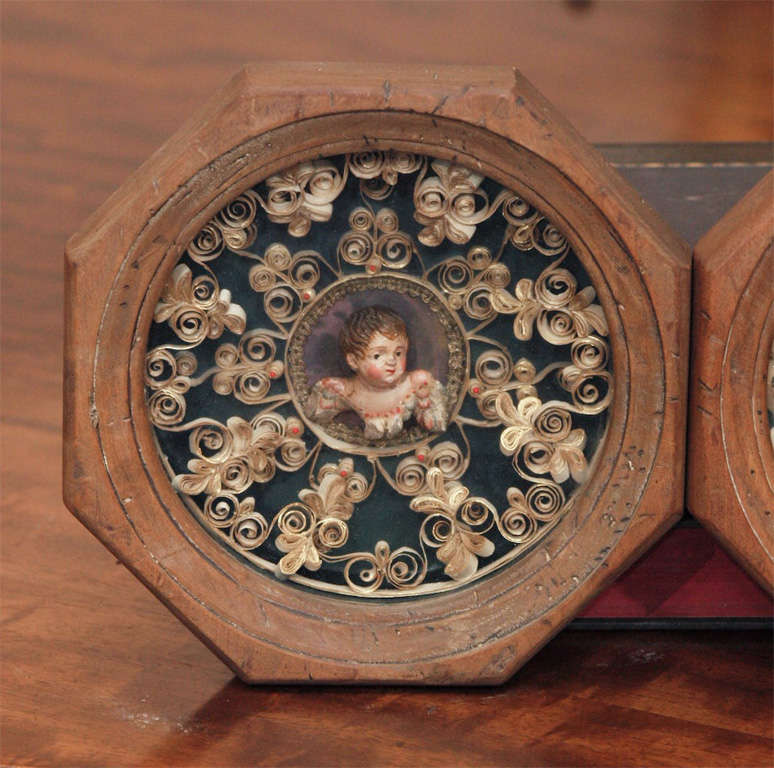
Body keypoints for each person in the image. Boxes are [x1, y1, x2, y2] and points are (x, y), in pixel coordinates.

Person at [305, 305, 447, 440]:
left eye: (398, 353)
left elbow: (434, 424)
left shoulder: (416, 384)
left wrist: (427, 412)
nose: (392, 360)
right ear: (354, 361)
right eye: (378, 355)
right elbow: (313, 420)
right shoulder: (343, 391)